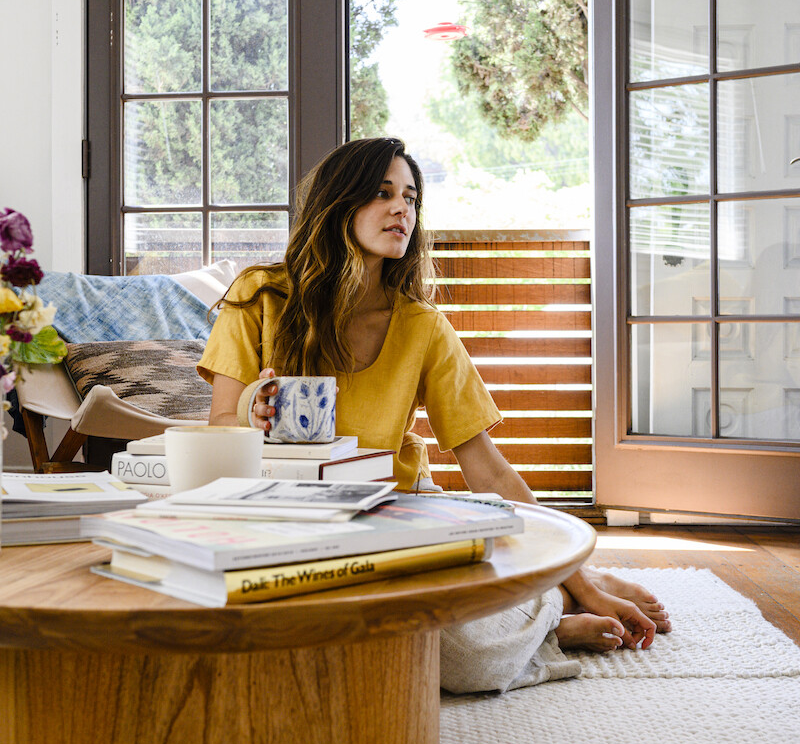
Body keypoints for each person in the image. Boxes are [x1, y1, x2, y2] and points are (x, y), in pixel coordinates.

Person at [198, 137, 671, 691]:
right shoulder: (259, 297)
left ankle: (556, 597)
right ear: (337, 203)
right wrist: (251, 414)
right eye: (382, 193)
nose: (403, 209)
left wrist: (586, 582)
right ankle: (549, 613)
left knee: (462, 658)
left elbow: (486, 469)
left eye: (411, 197)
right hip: (289, 522)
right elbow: (219, 427)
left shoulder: (422, 325)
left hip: (400, 519)